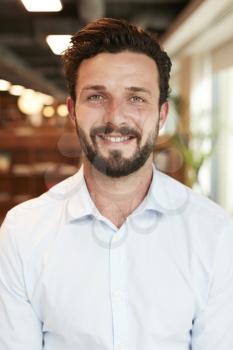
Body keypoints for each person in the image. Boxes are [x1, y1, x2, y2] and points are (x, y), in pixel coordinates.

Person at [0, 18, 233, 350]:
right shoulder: (22, 233)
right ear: (73, 111)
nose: (115, 118)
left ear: (162, 114)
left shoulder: (214, 232)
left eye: (136, 98)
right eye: (96, 96)